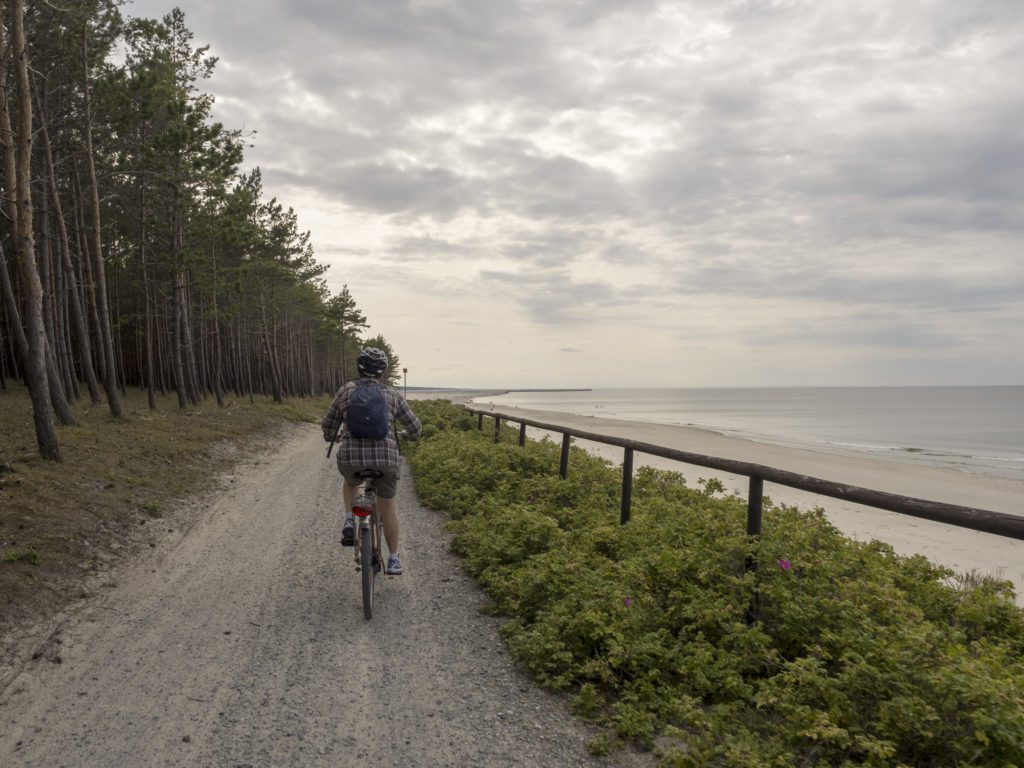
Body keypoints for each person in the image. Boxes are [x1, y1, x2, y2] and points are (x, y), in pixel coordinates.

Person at [321, 347, 422, 575]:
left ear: (359, 368)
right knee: (388, 507)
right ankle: (394, 559)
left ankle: (350, 518)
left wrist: (332, 436)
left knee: (352, 482)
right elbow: (415, 427)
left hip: (352, 459)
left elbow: (328, 424)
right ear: (382, 372)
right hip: (385, 460)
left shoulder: (346, 391)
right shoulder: (392, 394)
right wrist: (409, 437)